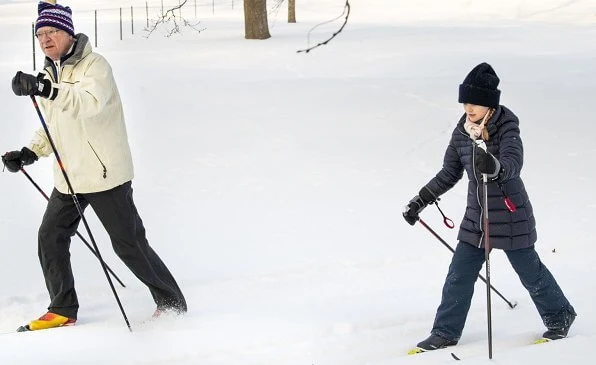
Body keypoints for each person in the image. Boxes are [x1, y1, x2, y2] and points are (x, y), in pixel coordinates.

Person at [1, 1, 187, 331]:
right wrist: (30, 151)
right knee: (50, 236)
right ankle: (62, 308)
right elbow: (54, 122)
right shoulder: (50, 72)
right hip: (69, 176)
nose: (44, 39)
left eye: (52, 31)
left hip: (105, 175)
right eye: (39, 33)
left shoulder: (95, 67)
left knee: (128, 244)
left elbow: (87, 104)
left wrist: (44, 87)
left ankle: (171, 301)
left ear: (68, 33)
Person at [402, 62, 576, 352]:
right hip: (477, 218)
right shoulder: (462, 132)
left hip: (510, 214)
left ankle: (560, 316)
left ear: (490, 104)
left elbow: (513, 162)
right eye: (466, 101)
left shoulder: (506, 125)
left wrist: (495, 167)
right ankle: (445, 332)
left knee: (530, 272)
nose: (469, 108)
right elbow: (449, 173)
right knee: (459, 275)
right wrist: (422, 199)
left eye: (476, 102)